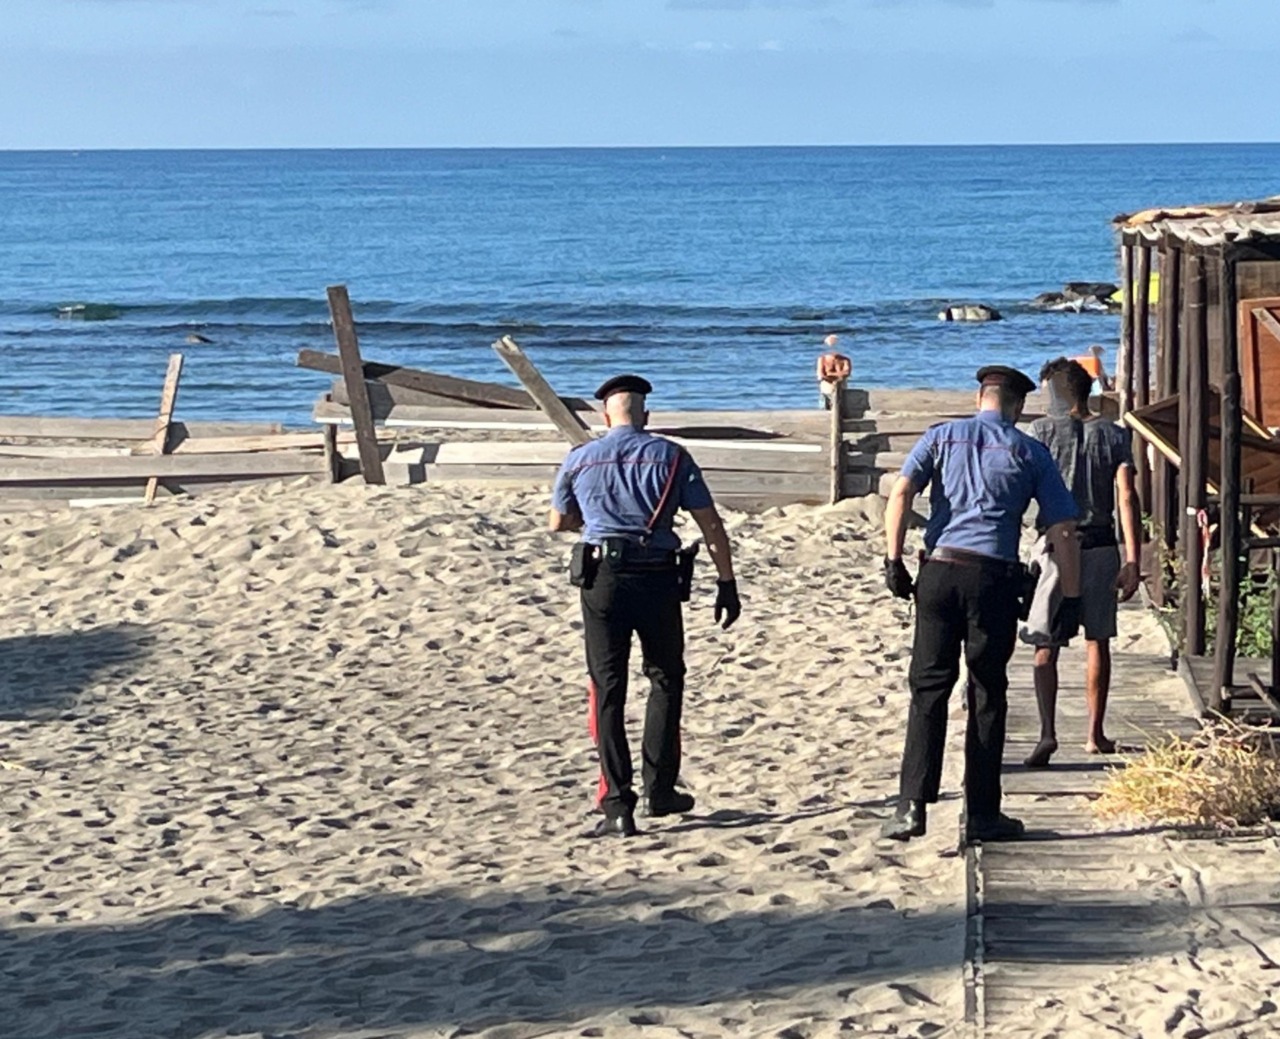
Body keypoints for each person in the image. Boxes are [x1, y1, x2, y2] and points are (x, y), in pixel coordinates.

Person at [880, 365, 1082, 844]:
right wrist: (1070, 597)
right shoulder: (1031, 452)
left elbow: (903, 491)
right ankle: (984, 812)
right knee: (987, 693)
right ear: (1016, 407)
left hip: (939, 569)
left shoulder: (940, 437)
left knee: (928, 688)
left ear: (980, 398)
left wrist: (892, 558)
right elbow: (1063, 529)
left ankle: (912, 805)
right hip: (991, 577)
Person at [549, 374, 741, 839]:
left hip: (603, 578)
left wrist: (595, 522)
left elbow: (558, 521)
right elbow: (710, 524)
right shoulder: (672, 457)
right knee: (665, 679)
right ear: (646, 415)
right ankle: (659, 788)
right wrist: (726, 581)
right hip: (657, 576)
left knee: (608, 687)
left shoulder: (579, 459)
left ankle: (617, 802)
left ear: (605, 416)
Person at [1019, 357, 1142, 767]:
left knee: (1045, 642)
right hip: (1102, 543)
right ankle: (1094, 734)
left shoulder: (1040, 433)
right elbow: (1126, 495)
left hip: (1056, 545)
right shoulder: (1114, 434)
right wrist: (1133, 558)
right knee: (1097, 641)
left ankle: (1047, 732)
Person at [817, 334, 852, 409]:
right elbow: (821, 375)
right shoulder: (822, 359)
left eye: (835, 345)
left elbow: (846, 373)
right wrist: (837, 376)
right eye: (831, 345)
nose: (833, 348)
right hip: (826, 391)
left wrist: (830, 374)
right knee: (825, 411)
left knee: (843, 411)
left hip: (842, 391)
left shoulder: (845, 360)